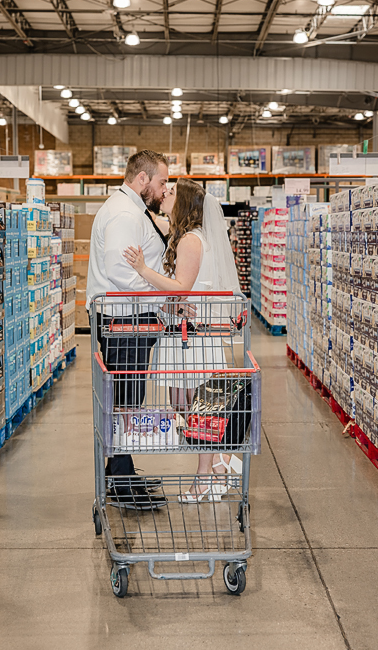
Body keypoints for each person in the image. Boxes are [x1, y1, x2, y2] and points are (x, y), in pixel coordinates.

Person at [122, 180, 243, 502]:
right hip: (184, 333)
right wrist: (168, 303)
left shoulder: (191, 239)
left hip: (193, 337)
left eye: (172, 192)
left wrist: (142, 270)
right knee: (185, 404)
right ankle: (219, 462)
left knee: (195, 406)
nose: (164, 194)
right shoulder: (185, 237)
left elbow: (182, 287)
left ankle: (207, 475)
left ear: (185, 203)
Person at [86, 150, 173, 510]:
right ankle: (120, 482)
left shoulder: (132, 209)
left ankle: (122, 471)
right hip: (124, 319)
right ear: (142, 179)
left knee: (127, 397)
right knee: (124, 400)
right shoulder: (124, 213)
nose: (164, 188)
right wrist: (161, 292)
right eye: (162, 181)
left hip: (131, 319)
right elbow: (122, 273)